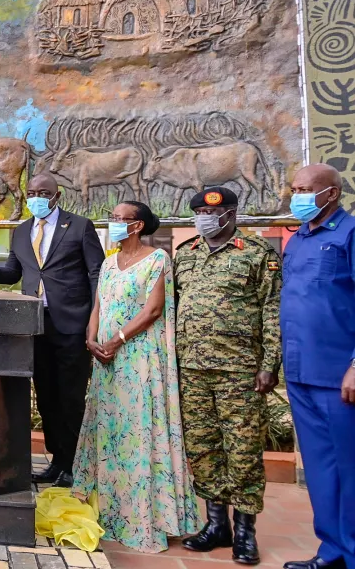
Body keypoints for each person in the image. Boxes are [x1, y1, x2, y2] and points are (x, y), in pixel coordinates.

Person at [72, 201, 199, 553]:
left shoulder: (157, 259)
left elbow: (153, 309)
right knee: (111, 431)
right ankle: (110, 507)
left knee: (139, 429)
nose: (112, 223)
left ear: (138, 225)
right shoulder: (108, 261)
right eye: (111, 218)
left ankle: (142, 513)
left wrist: (116, 340)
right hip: (106, 359)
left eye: (119, 219)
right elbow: (99, 304)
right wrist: (91, 339)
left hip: (138, 359)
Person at [0, 173, 104, 487]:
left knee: (70, 397)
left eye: (44, 192)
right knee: (46, 396)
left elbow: (97, 273)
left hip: (72, 324)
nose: (37, 197)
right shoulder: (22, 230)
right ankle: (56, 461)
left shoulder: (80, 226)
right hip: (36, 325)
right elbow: (15, 270)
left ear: (57, 196)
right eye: (32, 192)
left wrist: (95, 320)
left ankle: (72, 464)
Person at [173, 187, 281, 565]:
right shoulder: (185, 255)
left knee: (243, 450)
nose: (204, 217)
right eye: (199, 211)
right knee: (203, 448)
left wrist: (270, 365)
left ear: (231, 213)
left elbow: (272, 310)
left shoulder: (257, 253)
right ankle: (215, 523)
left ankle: (245, 531)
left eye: (212, 211)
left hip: (240, 370)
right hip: (192, 370)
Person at [279, 164, 355, 569]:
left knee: (350, 467)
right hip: (300, 370)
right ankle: (332, 552)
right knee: (321, 467)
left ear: (331, 193)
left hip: (338, 373)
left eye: (306, 189)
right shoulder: (299, 239)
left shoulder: (349, 233)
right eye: (294, 189)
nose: (298, 196)